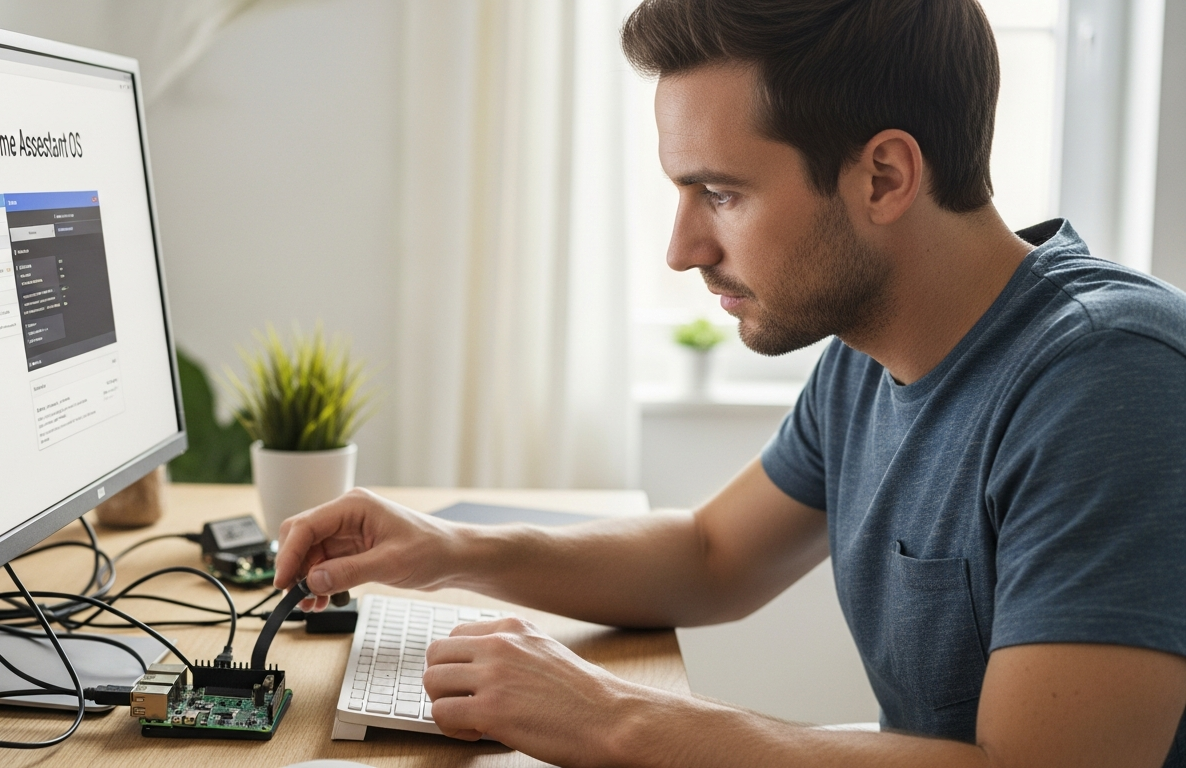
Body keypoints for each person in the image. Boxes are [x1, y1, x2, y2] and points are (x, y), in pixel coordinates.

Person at [275, 0, 1186, 765]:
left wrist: (616, 717)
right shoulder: (866, 356)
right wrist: (449, 552)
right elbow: (713, 557)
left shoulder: (1110, 380)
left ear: (884, 176)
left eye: (721, 194)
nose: (683, 250)